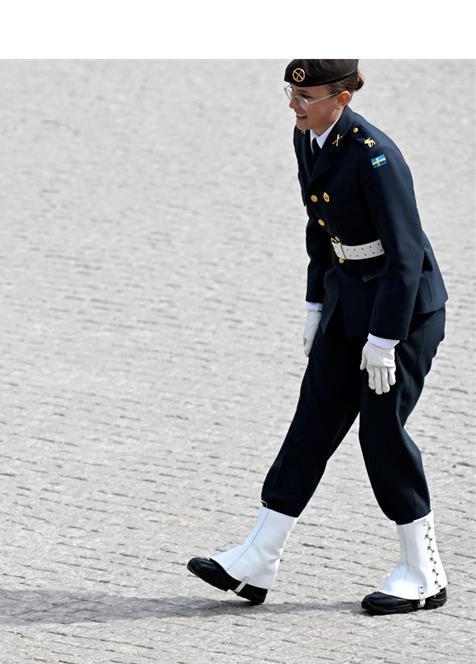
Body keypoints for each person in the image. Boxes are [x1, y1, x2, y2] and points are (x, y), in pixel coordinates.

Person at [187, 60, 449, 615]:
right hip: (346, 297)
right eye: (291, 92)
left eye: (305, 96)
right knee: (310, 426)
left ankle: (424, 571)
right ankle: (259, 557)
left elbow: (405, 257)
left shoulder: (375, 156)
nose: (293, 105)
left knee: (380, 435)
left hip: (401, 312)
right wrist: (314, 302)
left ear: (343, 96)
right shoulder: (310, 138)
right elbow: (319, 224)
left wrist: (384, 340)